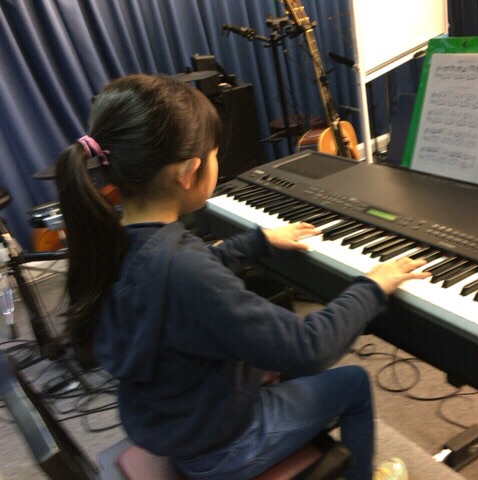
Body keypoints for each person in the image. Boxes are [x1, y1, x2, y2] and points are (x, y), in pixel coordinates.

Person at [55, 74, 430, 480]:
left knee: (276, 359)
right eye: (215, 155)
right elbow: (309, 347)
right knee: (352, 382)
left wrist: (259, 241)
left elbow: (192, 272)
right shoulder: (186, 271)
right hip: (223, 447)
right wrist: (371, 286)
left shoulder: (115, 241)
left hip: (168, 418)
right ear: (189, 171)